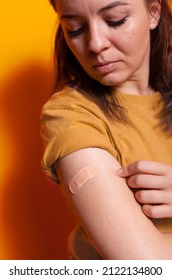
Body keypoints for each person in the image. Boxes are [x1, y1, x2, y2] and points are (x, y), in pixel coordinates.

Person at [40, 0, 172, 259]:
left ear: (153, 11)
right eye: (75, 29)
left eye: (115, 20)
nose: (96, 44)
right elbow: (147, 265)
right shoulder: (69, 115)